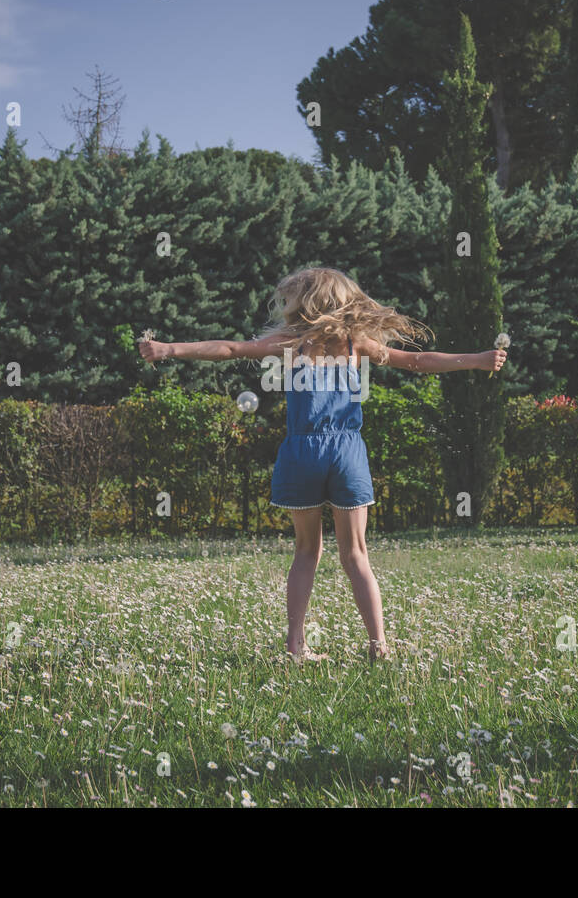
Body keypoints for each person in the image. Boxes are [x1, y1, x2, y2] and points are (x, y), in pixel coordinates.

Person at [138, 267, 507, 662]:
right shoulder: (356, 343)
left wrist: (168, 349)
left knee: (305, 551)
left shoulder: (291, 342)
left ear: (306, 302)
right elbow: (416, 361)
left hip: (302, 452)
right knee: (356, 554)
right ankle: (378, 645)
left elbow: (229, 349)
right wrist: (478, 360)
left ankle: (295, 646)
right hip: (346, 452)